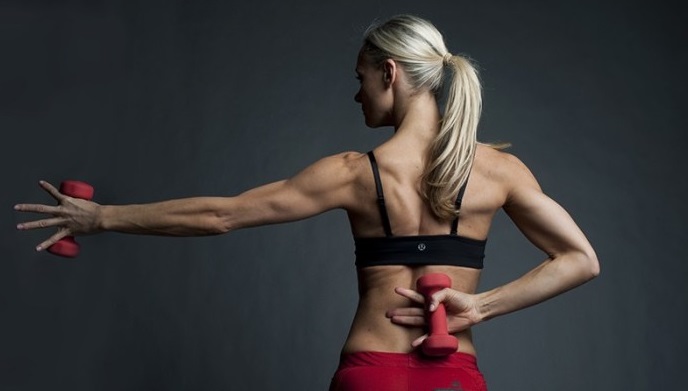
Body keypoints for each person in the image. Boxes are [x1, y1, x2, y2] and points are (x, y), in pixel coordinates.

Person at [14, 15, 599, 391]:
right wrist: (482, 306)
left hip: (373, 375)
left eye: (362, 77)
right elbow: (580, 259)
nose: (356, 93)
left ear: (390, 73)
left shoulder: (352, 174)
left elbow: (223, 215)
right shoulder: (499, 171)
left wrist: (101, 217)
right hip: (454, 380)